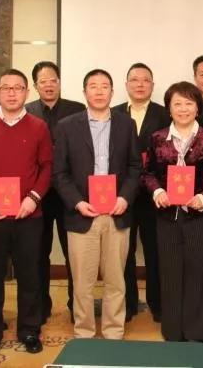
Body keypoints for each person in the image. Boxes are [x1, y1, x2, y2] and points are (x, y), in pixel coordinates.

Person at [0, 68, 53, 359]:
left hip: (28, 216)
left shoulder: (39, 127)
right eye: (6, 88)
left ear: (27, 92)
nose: (12, 93)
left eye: (18, 88)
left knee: (30, 276)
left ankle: (29, 330)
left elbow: (46, 167)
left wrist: (33, 198)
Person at [53, 69, 142, 339]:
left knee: (116, 280)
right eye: (93, 86)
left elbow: (135, 167)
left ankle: (114, 331)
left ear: (112, 92)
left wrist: (124, 198)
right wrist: (77, 203)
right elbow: (60, 173)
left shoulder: (127, 125)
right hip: (83, 214)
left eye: (105, 86)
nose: (99, 91)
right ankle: (84, 333)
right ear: (85, 92)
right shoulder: (67, 126)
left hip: (117, 212)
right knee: (83, 282)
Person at [142, 81, 203, 342]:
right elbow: (148, 173)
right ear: (169, 108)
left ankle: (198, 330)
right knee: (170, 272)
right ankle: (174, 330)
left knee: (199, 271)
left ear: (197, 108)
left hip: (199, 216)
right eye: (177, 103)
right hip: (167, 216)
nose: (183, 109)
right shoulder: (157, 138)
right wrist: (157, 192)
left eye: (188, 103)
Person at [25, 61, 85, 323]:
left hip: (69, 193)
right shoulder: (27, 111)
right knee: (38, 253)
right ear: (35, 85)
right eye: (43, 81)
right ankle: (40, 306)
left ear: (59, 82)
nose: (49, 85)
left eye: (53, 80)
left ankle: (76, 306)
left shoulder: (77, 110)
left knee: (75, 253)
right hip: (37, 194)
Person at [113, 62, 170, 323]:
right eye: (134, 80)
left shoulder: (165, 114)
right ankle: (127, 304)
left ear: (152, 85)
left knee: (155, 251)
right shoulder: (113, 113)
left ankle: (158, 304)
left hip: (154, 195)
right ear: (126, 85)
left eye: (145, 80)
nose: (140, 84)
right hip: (121, 194)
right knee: (122, 252)